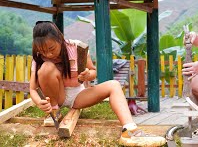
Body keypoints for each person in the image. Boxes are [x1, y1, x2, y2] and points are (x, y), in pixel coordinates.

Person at [29, 21, 166, 146]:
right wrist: (39, 103)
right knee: (46, 67)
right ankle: (54, 111)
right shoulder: (38, 58)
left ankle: (130, 130)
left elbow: (93, 72)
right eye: (43, 51)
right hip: (56, 98)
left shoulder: (76, 47)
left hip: (78, 94)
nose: (48, 54)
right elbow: (33, 89)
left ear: (60, 39)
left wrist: (88, 74)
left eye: (51, 49)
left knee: (114, 85)